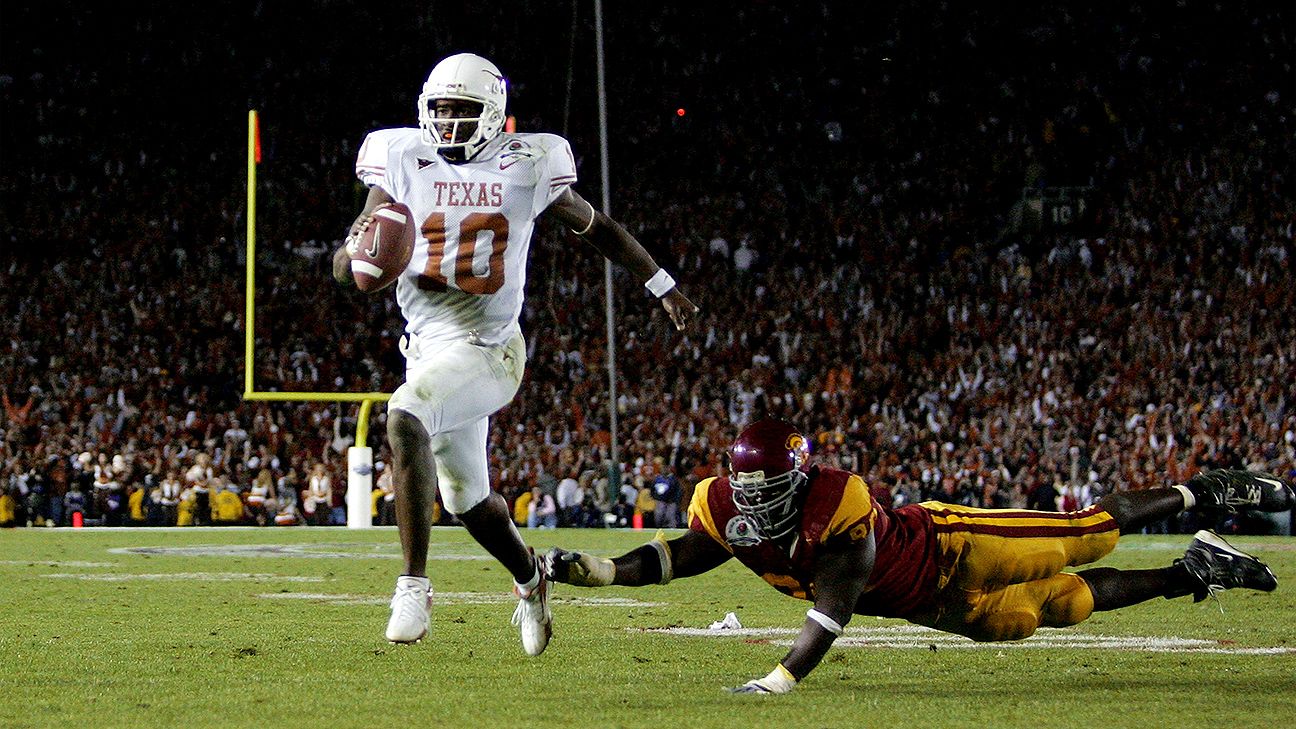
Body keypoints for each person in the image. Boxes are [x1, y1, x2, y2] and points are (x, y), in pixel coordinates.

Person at [332, 52, 697, 655]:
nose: (448, 123)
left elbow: (597, 225)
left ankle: (413, 585)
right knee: (467, 500)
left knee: (403, 415)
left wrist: (663, 286)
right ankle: (531, 583)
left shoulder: (529, 161)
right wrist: (355, 261)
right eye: (441, 110)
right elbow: (355, 253)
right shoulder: (398, 156)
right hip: (424, 349)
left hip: (487, 350)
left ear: (493, 113)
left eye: (463, 110)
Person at [547, 418, 1293, 693]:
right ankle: (1192, 568)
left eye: (770, 483)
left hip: (955, 544)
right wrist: (606, 570)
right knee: (1056, 607)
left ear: (799, 477)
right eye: (749, 484)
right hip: (929, 603)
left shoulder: (837, 498)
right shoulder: (717, 502)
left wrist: (779, 679)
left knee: (1091, 529)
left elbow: (831, 608)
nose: (756, 496)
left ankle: (1203, 488)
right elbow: (680, 555)